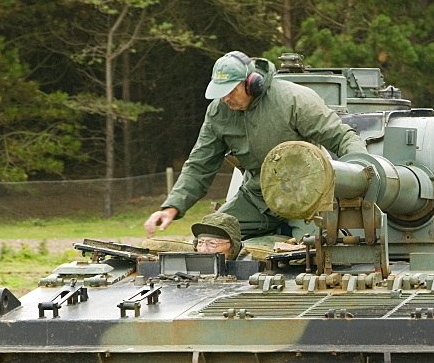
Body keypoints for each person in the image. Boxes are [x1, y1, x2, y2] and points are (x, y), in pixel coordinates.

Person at [144, 51, 367, 240]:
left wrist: (363, 176)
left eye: (232, 91)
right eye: (221, 93)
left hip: (308, 197)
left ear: (252, 84)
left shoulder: (293, 100)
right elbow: (199, 165)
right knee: (212, 237)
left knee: (315, 250)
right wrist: (172, 206)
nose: (225, 99)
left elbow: (341, 137)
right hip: (257, 198)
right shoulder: (218, 113)